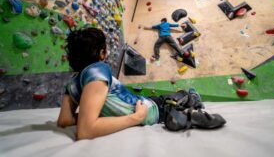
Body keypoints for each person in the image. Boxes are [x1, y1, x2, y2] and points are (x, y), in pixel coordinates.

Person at [57, 27, 226, 140]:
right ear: (102, 53)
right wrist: (135, 118)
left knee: (167, 98)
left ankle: (181, 104)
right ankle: (185, 104)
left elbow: (64, 121)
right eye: (105, 50)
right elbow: (86, 131)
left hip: (143, 102)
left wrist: (96, 114)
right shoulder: (99, 70)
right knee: (172, 99)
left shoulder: (72, 83)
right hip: (148, 110)